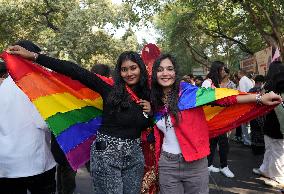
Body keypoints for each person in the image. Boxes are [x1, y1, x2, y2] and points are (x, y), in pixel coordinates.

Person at [7, 45, 152, 194]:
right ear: (119, 72)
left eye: (133, 68)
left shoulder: (148, 95)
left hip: (134, 156)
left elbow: (146, 124)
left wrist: (150, 111)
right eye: (124, 69)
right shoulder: (109, 89)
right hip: (107, 154)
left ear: (140, 68)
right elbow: (75, 70)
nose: (129, 73)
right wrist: (35, 57)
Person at [150, 54, 282, 194]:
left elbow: (223, 98)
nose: (165, 73)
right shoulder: (153, 99)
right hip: (167, 164)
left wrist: (259, 98)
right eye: (160, 69)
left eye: (169, 69)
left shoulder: (189, 93)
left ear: (175, 72)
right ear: (155, 74)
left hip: (195, 163)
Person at [0, 41, 56, 194]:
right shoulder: (35, 88)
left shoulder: (2, 88)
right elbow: (45, 124)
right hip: (35, 163)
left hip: (6, 166)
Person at [253, 61, 284, 189]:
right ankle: (265, 170)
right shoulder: (271, 84)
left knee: (276, 151)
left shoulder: (274, 84)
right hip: (272, 123)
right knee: (271, 150)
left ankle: (279, 178)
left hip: (278, 125)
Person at [202, 61, 235, 178]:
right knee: (223, 143)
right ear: (217, 70)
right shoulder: (208, 82)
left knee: (214, 142)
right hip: (213, 119)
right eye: (221, 70)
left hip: (217, 119)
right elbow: (204, 100)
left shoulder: (215, 83)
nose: (223, 72)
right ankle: (223, 166)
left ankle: (210, 164)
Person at [249, 75, 266, 155]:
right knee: (261, 132)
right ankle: (260, 149)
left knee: (254, 132)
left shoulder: (250, 91)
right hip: (261, 115)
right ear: (261, 82)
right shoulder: (262, 91)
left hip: (252, 115)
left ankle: (254, 148)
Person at [238, 69, 254, 146]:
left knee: (244, 124)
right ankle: (249, 139)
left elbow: (242, 93)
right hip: (251, 103)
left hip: (245, 104)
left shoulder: (242, 80)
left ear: (240, 73)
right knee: (248, 124)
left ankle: (246, 141)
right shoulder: (249, 80)